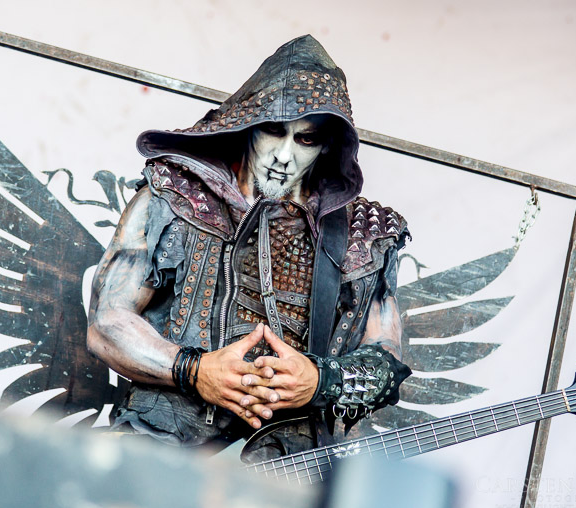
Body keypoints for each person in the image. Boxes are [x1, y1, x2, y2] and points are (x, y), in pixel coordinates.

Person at [87, 35, 411, 462]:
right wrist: (194, 370)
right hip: (160, 449)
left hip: (282, 469)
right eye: (274, 131)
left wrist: (321, 381)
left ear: (327, 146)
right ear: (248, 124)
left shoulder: (364, 234)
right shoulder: (174, 194)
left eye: (305, 139)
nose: (283, 156)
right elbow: (106, 322)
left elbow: (386, 360)